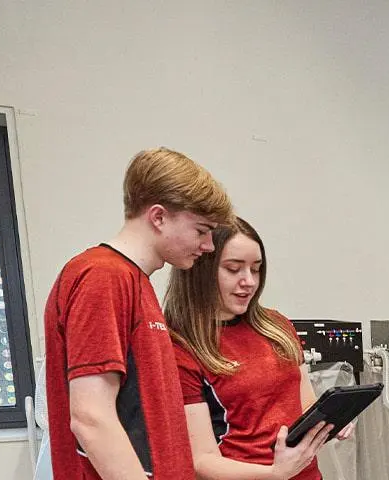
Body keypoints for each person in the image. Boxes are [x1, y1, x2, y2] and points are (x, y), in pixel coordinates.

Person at [45, 147, 234, 480]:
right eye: (202, 231)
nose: (208, 246)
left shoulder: (135, 282)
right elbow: (91, 417)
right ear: (158, 217)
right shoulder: (102, 276)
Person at [166, 217, 352, 480]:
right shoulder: (181, 347)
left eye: (256, 269)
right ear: (201, 270)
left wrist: (332, 420)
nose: (249, 281)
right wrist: (274, 474)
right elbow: (201, 459)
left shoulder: (277, 326)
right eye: (234, 269)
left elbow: (304, 403)